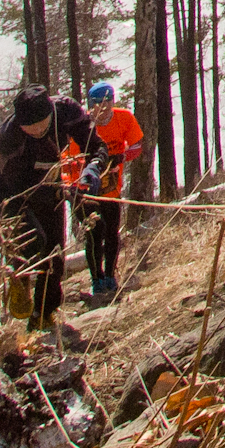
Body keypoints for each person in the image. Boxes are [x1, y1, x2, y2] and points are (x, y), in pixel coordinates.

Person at [0, 84, 92, 328]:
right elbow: (17, 189)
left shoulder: (65, 112)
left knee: (54, 251)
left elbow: (90, 141)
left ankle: (43, 315)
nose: (38, 131)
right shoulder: (7, 140)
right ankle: (19, 277)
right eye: (30, 128)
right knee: (33, 241)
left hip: (47, 181)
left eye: (42, 125)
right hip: (8, 190)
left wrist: (83, 176)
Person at [77, 79, 147, 301]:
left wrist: (120, 157)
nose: (105, 106)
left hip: (112, 190)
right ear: (91, 104)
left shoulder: (123, 118)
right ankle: (96, 279)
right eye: (99, 102)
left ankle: (110, 276)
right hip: (87, 192)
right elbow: (68, 158)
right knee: (94, 234)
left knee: (112, 234)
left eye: (109, 101)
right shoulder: (83, 126)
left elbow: (137, 145)